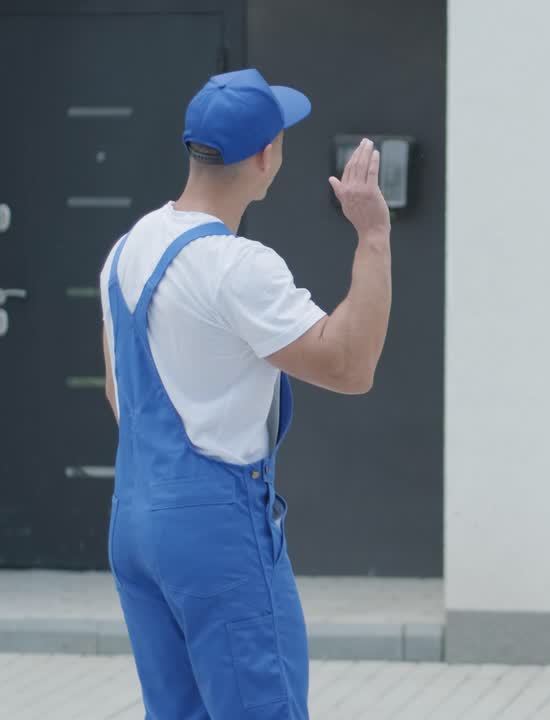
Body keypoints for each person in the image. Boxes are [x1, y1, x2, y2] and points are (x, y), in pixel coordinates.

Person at [98, 68, 392, 719]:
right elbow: (350, 365)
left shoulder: (127, 248)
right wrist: (372, 238)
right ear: (266, 156)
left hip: (136, 519)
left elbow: (120, 388)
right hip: (214, 529)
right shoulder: (237, 266)